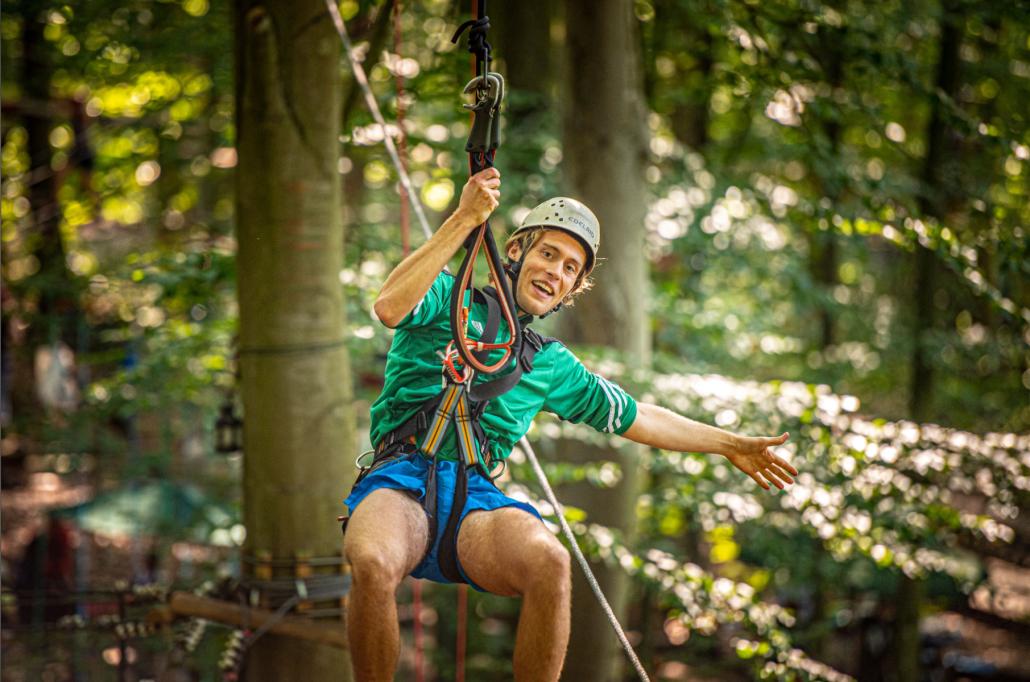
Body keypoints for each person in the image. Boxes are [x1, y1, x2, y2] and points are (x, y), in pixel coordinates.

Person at [342, 167, 798, 681]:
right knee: (373, 562)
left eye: (570, 269)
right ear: (515, 253)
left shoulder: (550, 364)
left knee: (550, 563)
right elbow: (388, 305)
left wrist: (727, 443)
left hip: (473, 500)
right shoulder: (444, 298)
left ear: (570, 291)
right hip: (400, 480)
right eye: (548, 254)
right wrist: (465, 219)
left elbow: (639, 415)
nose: (555, 271)